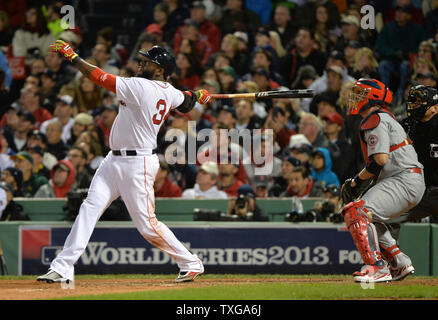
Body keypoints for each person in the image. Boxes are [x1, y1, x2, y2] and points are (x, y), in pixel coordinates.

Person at [37, 41, 212, 284]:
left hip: (138, 163)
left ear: (160, 69)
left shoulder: (140, 86)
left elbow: (98, 76)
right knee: (89, 208)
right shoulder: (169, 90)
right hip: (113, 160)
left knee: (147, 226)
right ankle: (63, 266)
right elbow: (185, 101)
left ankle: (190, 262)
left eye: (148, 61)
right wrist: (197, 96)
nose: (142, 62)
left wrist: (73, 57)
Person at [340, 78, 425, 283]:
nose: (354, 98)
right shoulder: (384, 118)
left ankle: (377, 267)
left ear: (373, 98)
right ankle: (399, 262)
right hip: (406, 179)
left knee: (356, 211)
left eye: (360, 94)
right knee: (369, 216)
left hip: (403, 180)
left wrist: (355, 182)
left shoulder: (375, 118)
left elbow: (380, 160)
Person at [385, 85, 438, 270]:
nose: (413, 105)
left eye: (418, 101)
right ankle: (393, 264)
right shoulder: (406, 125)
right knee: (387, 218)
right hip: (417, 191)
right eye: (412, 101)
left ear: (435, 107)